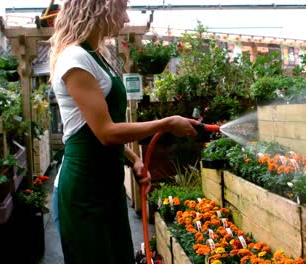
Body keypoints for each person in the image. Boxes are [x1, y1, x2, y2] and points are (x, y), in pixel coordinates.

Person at [49, 0, 199, 263]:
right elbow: (105, 132)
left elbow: (102, 127)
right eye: (122, 9)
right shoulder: (75, 58)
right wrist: (165, 124)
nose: (127, 18)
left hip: (106, 183)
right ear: (100, 9)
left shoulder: (96, 56)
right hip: (85, 189)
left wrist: (134, 159)